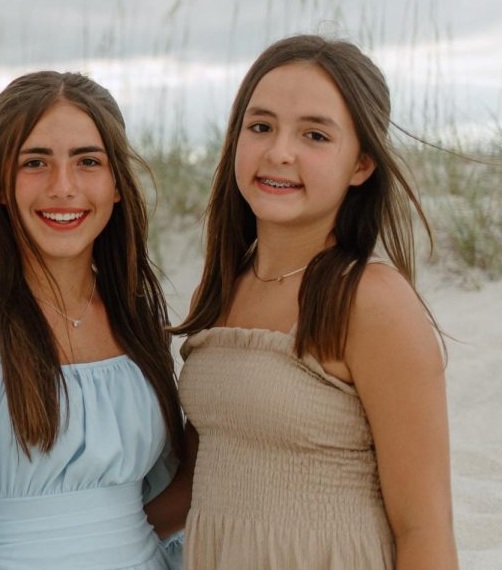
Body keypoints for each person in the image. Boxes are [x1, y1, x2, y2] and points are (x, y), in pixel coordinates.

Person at [174, 35, 456, 569]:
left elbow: (424, 526)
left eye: (315, 135)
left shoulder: (370, 302)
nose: (280, 151)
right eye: (260, 127)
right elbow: (196, 478)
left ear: (361, 165)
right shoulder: (224, 286)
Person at [0, 71, 187, 570]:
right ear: (3, 186)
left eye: (88, 161)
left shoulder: (134, 319)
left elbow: (158, 503)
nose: (63, 187)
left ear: (117, 185)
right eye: (35, 162)